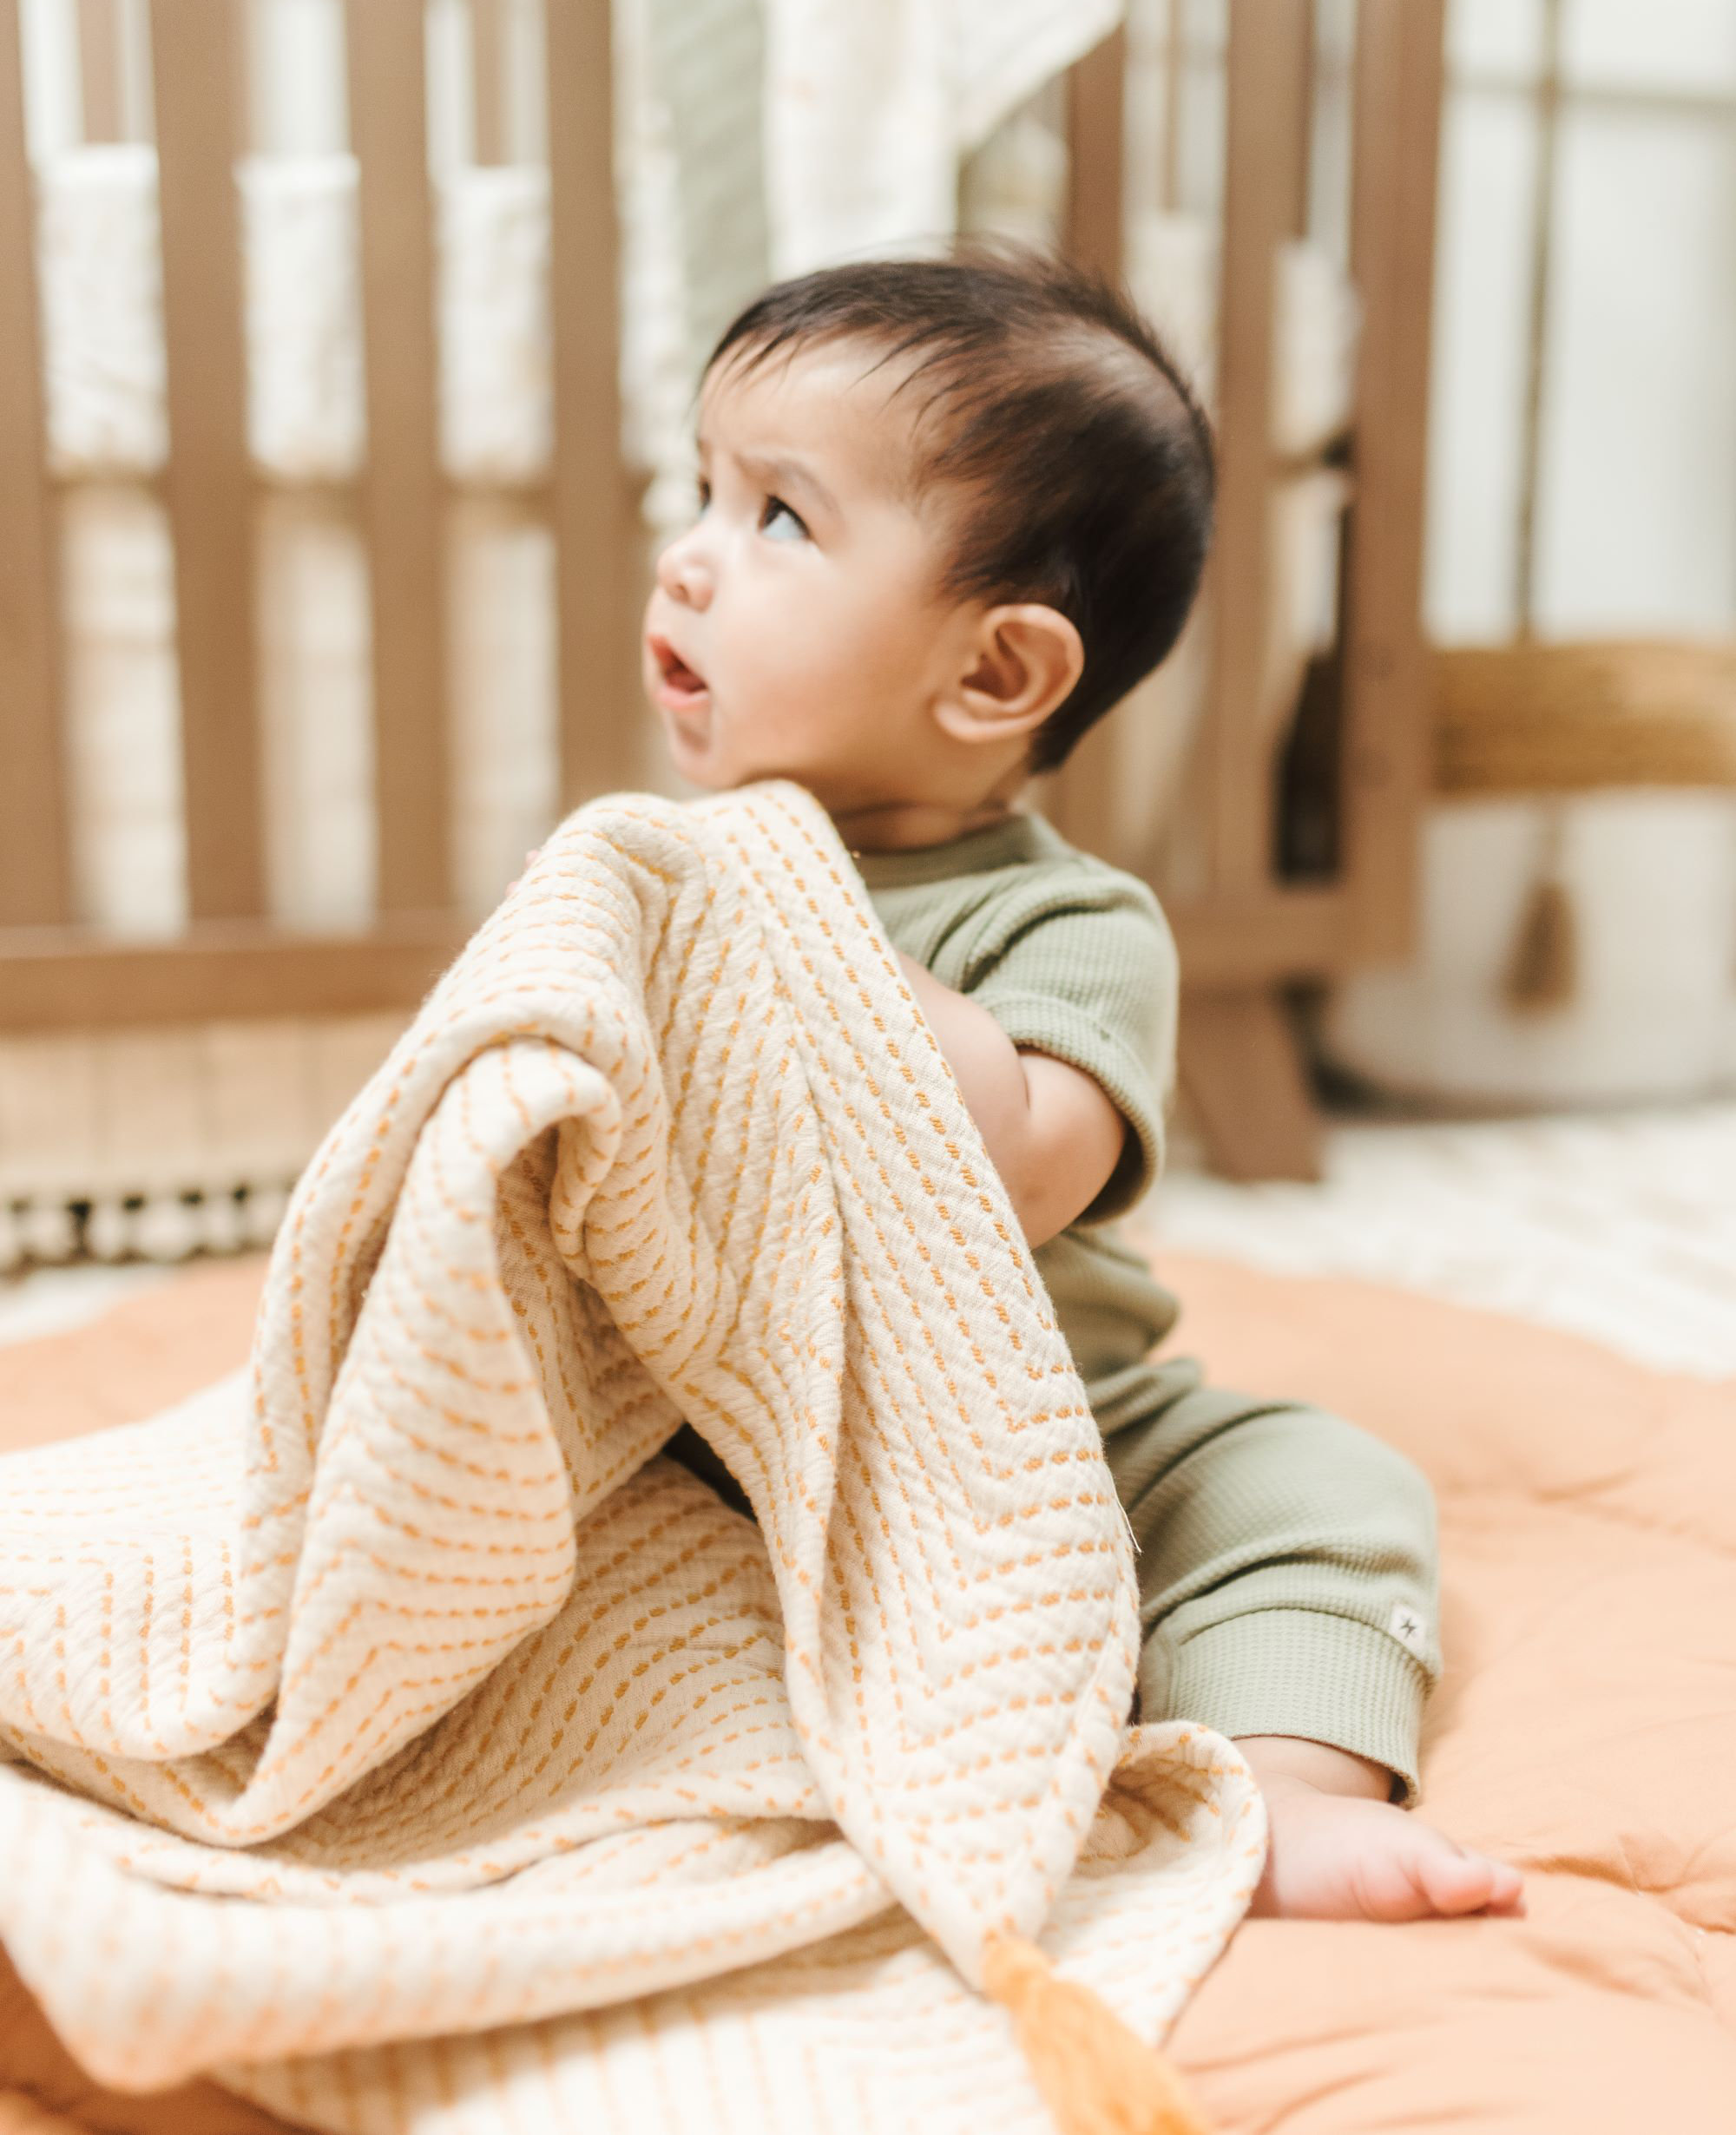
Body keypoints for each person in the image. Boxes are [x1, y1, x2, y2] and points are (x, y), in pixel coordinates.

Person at [643, 247, 1523, 1923]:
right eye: (699, 487)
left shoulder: (1070, 923)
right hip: (709, 1453)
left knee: (1319, 1484)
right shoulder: (654, 877)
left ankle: (1278, 1789)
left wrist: (811, 919)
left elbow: (1020, 1164)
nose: (687, 561)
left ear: (994, 674)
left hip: (1044, 1440)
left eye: (776, 519)